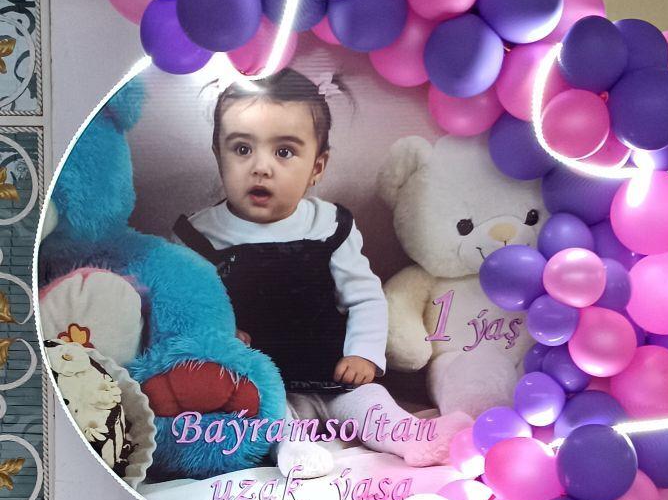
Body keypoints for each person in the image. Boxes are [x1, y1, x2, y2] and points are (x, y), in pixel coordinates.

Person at [174, 68, 466, 477]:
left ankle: (413, 437)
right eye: (242, 149)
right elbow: (186, 305)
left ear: (317, 166)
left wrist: (363, 352)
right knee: (264, 412)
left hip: (332, 370)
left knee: (371, 403)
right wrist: (220, 334)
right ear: (217, 154)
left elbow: (364, 296)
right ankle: (292, 448)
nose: (261, 167)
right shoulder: (200, 236)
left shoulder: (329, 225)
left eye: (284, 152)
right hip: (261, 380)